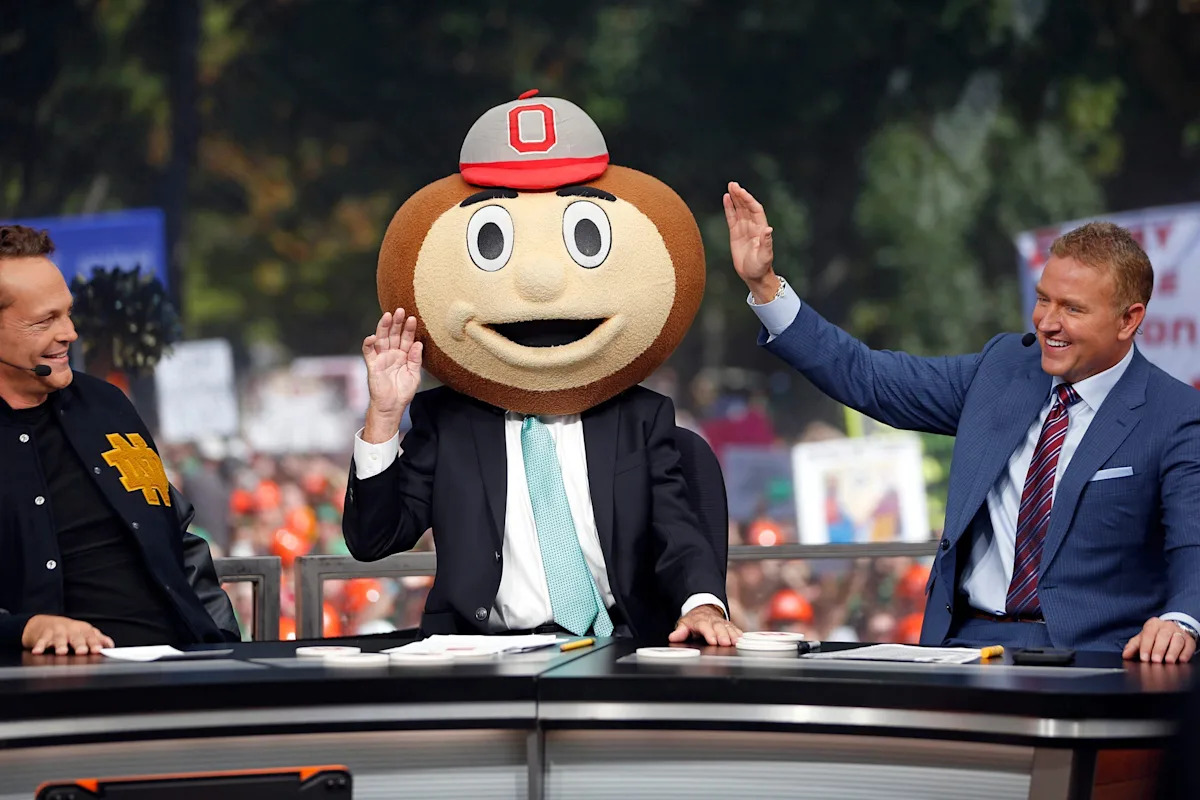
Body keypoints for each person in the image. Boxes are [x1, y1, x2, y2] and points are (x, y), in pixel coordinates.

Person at [724, 182, 1200, 661]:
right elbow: (868, 377)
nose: (1047, 322)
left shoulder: (1175, 414)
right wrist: (765, 286)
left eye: (1072, 308)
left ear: (1128, 320)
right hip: (969, 648)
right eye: (1044, 299)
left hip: (1095, 661)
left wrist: (1181, 621)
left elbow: (1193, 542)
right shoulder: (1001, 370)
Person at [343, 93, 739, 645]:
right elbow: (373, 539)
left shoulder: (640, 418)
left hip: (617, 645)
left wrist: (703, 605)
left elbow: (678, 530)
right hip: (485, 654)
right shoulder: (449, 422)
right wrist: (385, 416)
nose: (540, 282)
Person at [0, 224, 239, 654]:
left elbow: (177, 538)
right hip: (49, 682)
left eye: (67, 313)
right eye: (45, 320)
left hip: (185, 664)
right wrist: (24, 629)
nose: (69, 332)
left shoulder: (106, 405)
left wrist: (222, 642)